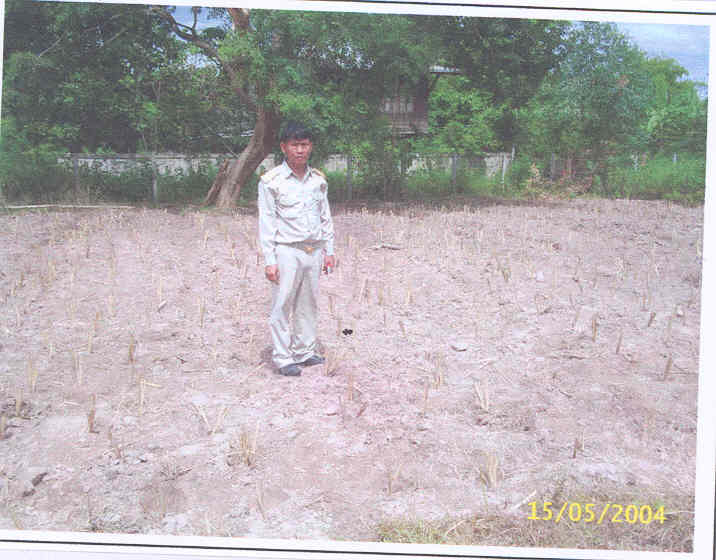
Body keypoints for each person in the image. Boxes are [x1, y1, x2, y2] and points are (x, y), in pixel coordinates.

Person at [257, 121, 336, 376]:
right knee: (282, 304)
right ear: (284, 147)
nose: (300, 150)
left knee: (308, 304)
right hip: (286, 250)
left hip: (313, 250)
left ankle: (304, 351)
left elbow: (325, 217)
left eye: (304, 144)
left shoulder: (318, 180)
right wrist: (270, 260)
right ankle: (283, 358)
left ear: (311, 146)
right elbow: (267, 223)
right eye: (294, 145)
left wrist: (329, 250)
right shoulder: (271, 182)